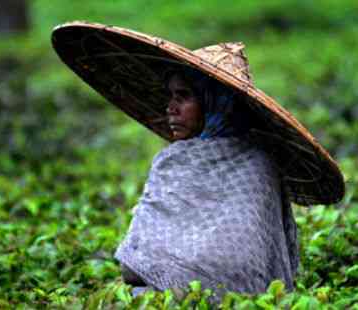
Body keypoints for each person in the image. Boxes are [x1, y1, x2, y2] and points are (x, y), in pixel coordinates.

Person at [51, 21, 345, 302]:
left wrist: (178, 275)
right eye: (170, 96)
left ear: (213, 102)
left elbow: (243, 264)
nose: (171, 107)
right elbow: (134, 264)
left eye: (184, 96)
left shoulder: (257, 164)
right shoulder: (171, 162)